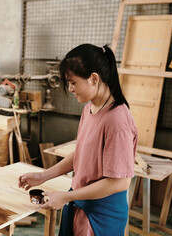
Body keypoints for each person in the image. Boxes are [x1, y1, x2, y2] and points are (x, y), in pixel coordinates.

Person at [19, 44, 137, 236]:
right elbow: (82, 154)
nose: (70, 89)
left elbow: (119, 182)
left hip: (101, 216)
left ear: (94, 79)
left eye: (73, 82)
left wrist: (66, 196)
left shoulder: (117, 120)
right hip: (80, 205)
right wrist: (44, 176)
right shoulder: (89, 110)